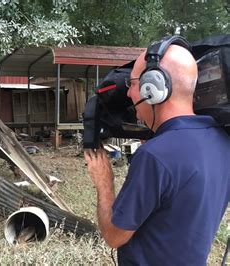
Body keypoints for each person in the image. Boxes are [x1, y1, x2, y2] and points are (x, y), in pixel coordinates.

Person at [84, 41, 230, 265]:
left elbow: (114, 236)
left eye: (133, 83)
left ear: (152, 89)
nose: (130, 93)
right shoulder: (221, 140)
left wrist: (104, 182)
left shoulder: (155, 156)